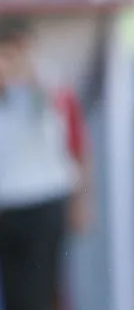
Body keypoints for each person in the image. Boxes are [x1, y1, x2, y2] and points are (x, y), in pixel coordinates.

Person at [0, 16, 91, 310]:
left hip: (43, 202)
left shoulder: (45, 81)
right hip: (6, 203)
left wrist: (80, 200)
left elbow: (74, 145)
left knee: (39, 290)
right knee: (15, 291)